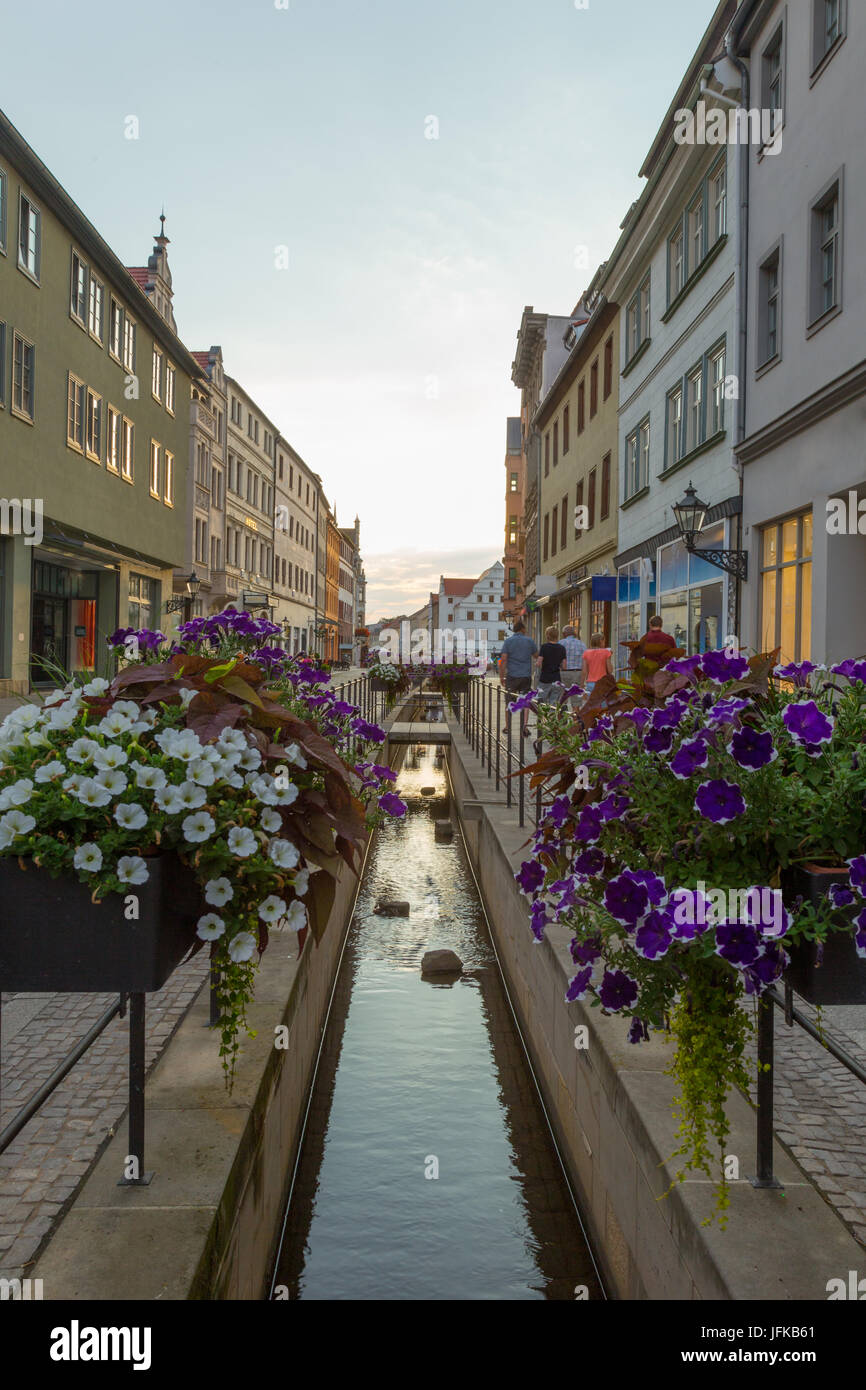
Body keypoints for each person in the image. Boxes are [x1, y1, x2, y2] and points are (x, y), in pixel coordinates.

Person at [499, 620, 538, 734]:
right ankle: (524, 727)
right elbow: (536, 655)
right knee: (526, 701)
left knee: (509, 701)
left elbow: (503, 660)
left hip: (512, 676)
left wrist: (502, 676)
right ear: (523, 629)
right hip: (525, 676)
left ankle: (507, 727)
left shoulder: (508, 641)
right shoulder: (529, 641)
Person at [536, 625, 567, 705]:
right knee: (554, 704)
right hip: (556, 679)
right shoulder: (562, 648)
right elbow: (564, 666)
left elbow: (539, 663)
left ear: (547, 635)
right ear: (557, 635)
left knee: (541, 702)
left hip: (545, 678)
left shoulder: (544, 647)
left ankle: (542, 717)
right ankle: (552, 717)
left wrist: (537, 663)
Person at [560, 624, 586, 707]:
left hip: (564, 674)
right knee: (576, 702)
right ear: (574, 633)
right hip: (577, 673)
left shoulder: (560, 643)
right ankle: (575, 719)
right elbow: (585, 663)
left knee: (562, 700)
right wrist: (583, 680)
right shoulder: (582, 644)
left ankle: (562, 719)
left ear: (564, 634)